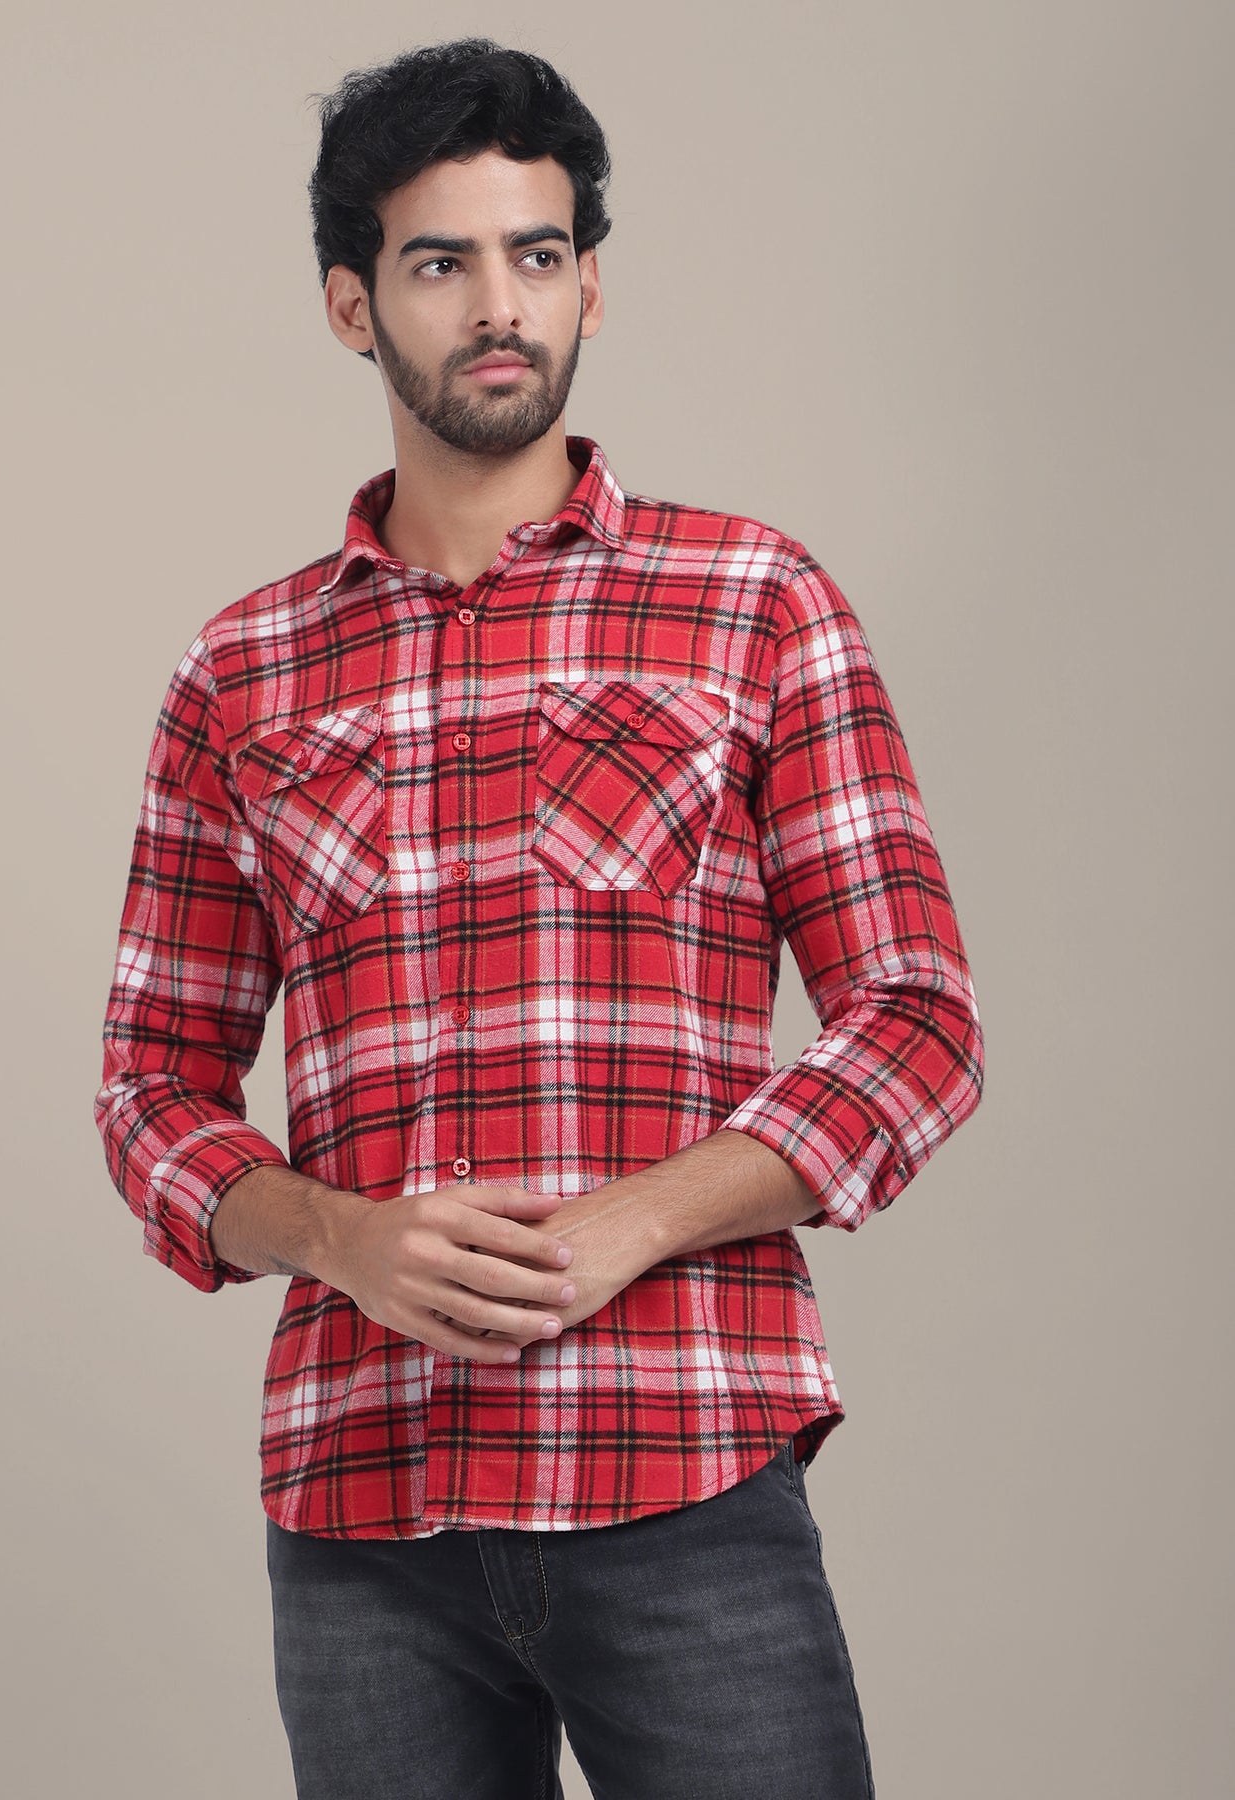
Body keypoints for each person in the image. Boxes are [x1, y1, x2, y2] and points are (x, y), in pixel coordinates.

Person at [95, 37, 983, 1800]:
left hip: (682, 1469)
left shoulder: (752, 601)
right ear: (351, 305)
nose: (499, 305)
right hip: (361, 1513)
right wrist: (342, 1240)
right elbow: (149, 1089)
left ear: (589, 281)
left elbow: (917, 1023)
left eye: (538, 253)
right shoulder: (242, 671)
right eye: (440, 262)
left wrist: (631, 1224)